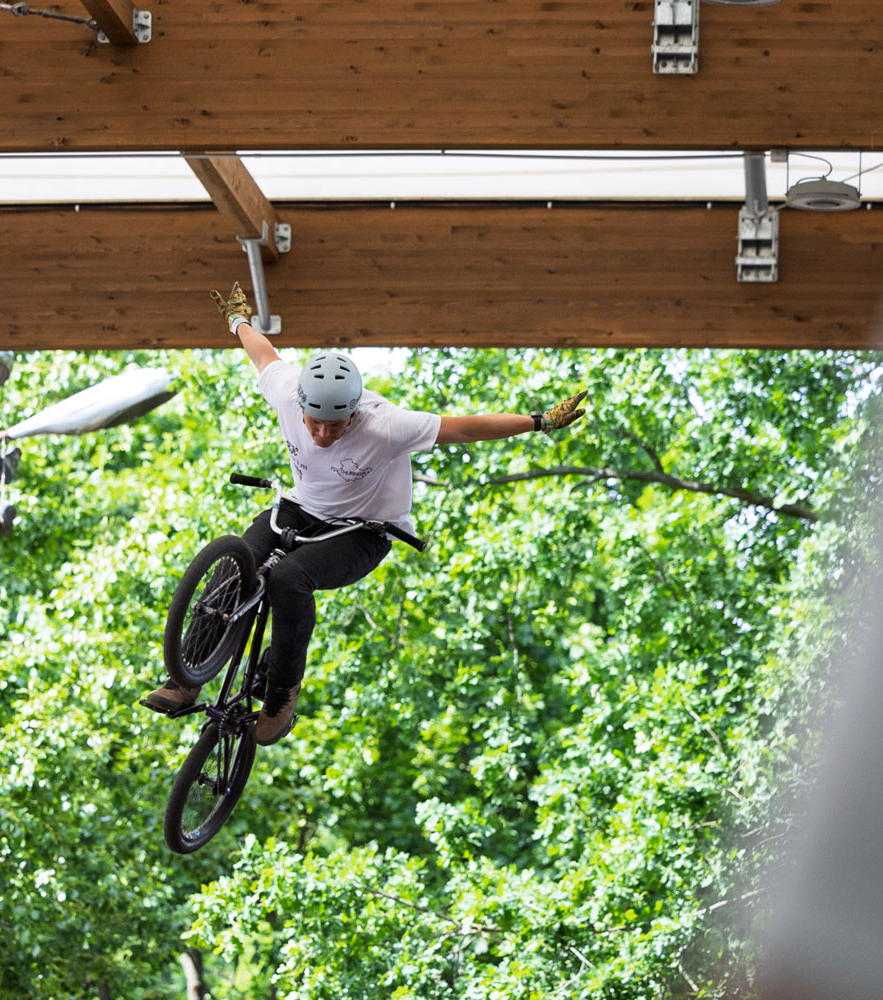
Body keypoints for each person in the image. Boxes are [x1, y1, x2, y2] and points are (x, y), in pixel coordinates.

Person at [145, 283, 586, 745]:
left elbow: (464, 427)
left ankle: (280, 698)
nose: (320, 433)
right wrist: (238, 318)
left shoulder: (388, 425)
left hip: (366, 531)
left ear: (354, 413)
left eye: (334, 425)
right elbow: (263, 353)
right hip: (300, 509)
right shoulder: (285, 391)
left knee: (287, 581)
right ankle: (186, 677)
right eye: (313, 421)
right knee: (239, 564)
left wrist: (539, 422)